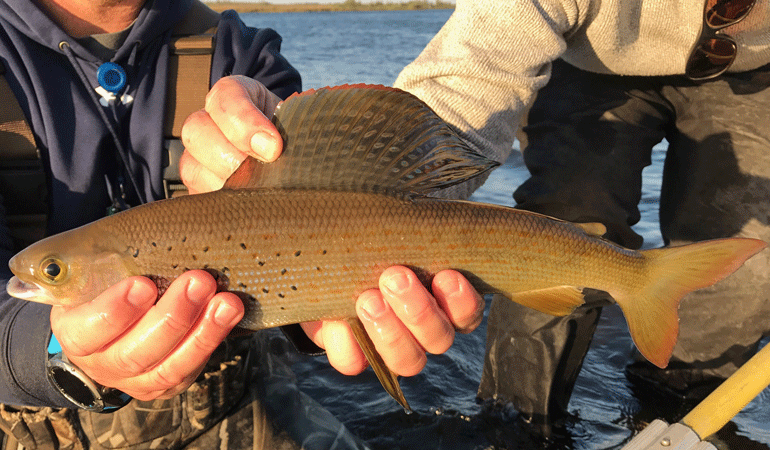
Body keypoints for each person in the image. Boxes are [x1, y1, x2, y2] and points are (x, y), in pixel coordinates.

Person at [0, 0, 484, 448]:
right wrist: (59, 350)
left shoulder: (238, 51)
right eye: (55, 272)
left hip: (238, 394)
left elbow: (327, 208)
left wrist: (277, 138)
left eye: (55, 271)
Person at [393, 0, 770, 437]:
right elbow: (470, 75)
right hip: (589, 63)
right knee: (564, 216)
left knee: (750, 269)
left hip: (757, 71)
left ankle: (677, 414)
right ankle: (517, 425)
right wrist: (400, 195)